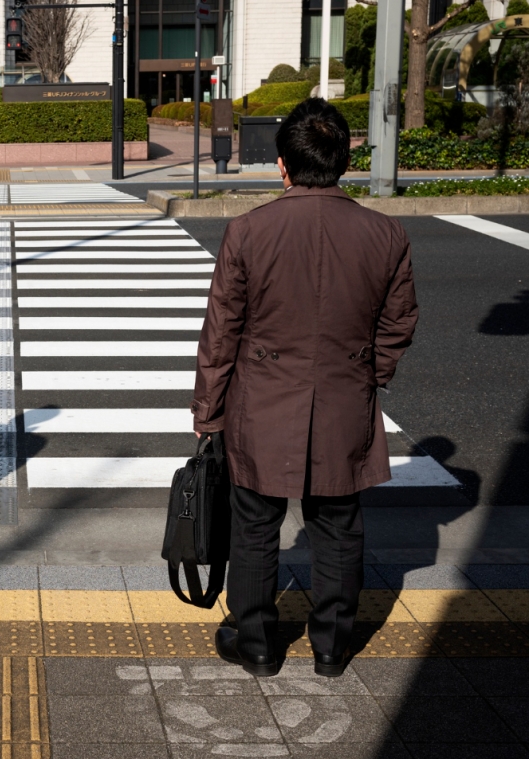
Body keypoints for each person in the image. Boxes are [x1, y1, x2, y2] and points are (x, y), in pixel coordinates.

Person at [191, 98, 418, 678]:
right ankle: (331, 647)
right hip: (345, 397)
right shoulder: (385, 234)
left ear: (282, 165)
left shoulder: (248, 231)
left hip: (261, 402)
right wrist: (370, 375)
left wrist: (208, 413)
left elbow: (222, 333)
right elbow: (398, 322)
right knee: (339, 526)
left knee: (254, 525)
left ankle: (258, 644)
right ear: (345, 160)